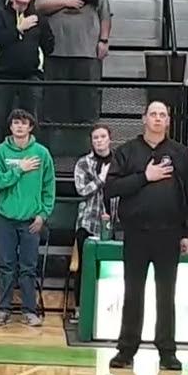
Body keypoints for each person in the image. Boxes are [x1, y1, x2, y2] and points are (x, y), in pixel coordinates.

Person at [104, 101, 188, 371]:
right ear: (144, 118)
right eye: (153, 114)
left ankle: (167, 351)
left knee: (166, 295)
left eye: (163, 115)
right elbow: (111, 188)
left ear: (168, 121)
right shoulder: (127, 152)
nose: (158, 119)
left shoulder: (180, 153)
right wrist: (145, 176)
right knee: (133, 293)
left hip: (169, 235)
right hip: (136, 234)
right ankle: (126, 350)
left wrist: (187, 232)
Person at [0, 109, 55, 327]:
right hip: (5, 217)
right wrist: (19, 170)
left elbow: (49, 186)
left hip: (31, 220)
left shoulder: (42, 153)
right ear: (10, 127)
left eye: (23, 123)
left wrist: (43, 214)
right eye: (16, 122)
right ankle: (3, 309)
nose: (19, 126)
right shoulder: (0, 152)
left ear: (30, 127)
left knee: (28, 267)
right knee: (6, 265)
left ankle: (29, 310)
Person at [35, 0, 111, 124]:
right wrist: (64, 2)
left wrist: (104, 41)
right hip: (55, 54)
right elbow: (38, 5)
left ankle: (84, 142)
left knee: (86, 102)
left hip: (87, 54)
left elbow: (105, 15)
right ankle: (57, 141)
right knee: (55, 103)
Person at [0, 0, 53, 141]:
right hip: (3, 76)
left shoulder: (38, 19)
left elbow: (49, 45)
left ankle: (34, 158)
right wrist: (19, 29)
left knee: (33, 120)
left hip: (31, 76)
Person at [71, 124, 117, 307]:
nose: (99, 141)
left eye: (102, 136)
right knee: (84, 267)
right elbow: (81, 190)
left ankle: (104, 307)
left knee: (107, 267)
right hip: (88, 223)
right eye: (95, 138)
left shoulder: (119, 161)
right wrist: (101, 179)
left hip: (111, 222)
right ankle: (80, 308)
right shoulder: (83, 163)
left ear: (109, 139)